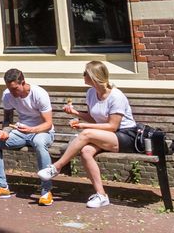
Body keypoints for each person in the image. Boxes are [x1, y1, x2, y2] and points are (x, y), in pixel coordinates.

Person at [38, 60, 138, 208]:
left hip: (125, 136)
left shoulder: (116, 96)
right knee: (85, 151)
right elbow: (95, 118)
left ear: (94, 76)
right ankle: (101, 195)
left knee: (86, 134)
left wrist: (84, 126)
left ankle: (56, 167)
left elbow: (112, 126)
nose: (83, 75)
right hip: (105, 136)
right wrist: (76, 113)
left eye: (85, 73)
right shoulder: (91, 93)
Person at [0, 68, 55, 205]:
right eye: (10, 89)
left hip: (42, 131)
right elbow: (8, 121)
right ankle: (2, 187)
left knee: (40, 143)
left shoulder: (39, 94)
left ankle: (46, 190)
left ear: (23, 83)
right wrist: (5, 131)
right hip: (21, 131)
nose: (13, 93)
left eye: (15, 89)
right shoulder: (7, 95)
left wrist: (32, 129)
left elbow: (48, 124)